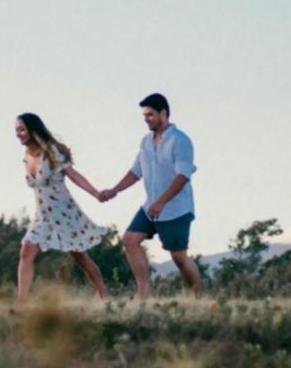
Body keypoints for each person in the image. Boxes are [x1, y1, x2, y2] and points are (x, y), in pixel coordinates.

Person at [99, 93, 203, 299]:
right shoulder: (146, 141)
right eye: (144, 116)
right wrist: (115, 190)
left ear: (163, 113)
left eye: (150, 115)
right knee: (130, 239)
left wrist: (162, 202)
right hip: (150, 208)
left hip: (176, 209)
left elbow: (183, 176)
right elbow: (136, 171)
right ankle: (144, 294)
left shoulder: (180, 140)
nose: (146, 119)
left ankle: (200, 296)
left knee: (179, 257)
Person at [15, 113, 109, 302]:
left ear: (34, 130)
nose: (18, 134)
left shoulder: (51, 153)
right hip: (42, 215)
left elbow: (74, 175)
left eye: (22, 129)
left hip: (63, 212)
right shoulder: (27, 156)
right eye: (17, 130)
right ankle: (21, 304)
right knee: (26, 251)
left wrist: (96, 193)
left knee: (79, 257)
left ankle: (104, 296)